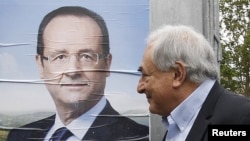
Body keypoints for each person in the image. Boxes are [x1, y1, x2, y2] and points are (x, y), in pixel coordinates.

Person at [7, 6, 149, 141]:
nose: (73, 70)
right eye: (60, 57)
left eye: (86, 56)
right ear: (40, 65)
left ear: (107, 64)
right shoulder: (19, 136)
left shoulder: (141, 138)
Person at [137, 25, 250, 141]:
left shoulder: (242, 119)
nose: (139, 88)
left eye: (145, 75)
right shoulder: (178, 124)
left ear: (178, 74)